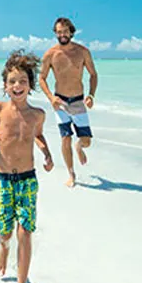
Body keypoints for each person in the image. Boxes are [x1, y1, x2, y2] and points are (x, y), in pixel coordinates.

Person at [0, 49, 54, 283]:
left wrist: (46, 153)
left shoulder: (37, 114)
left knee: (26, 231)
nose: (17, 85)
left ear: (30, 85)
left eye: (23, 80)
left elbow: (39, 136)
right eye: (12, 81)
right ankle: (3, 249)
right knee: (6, 232)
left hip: (27, 180)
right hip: (3, 179)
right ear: (5, 86)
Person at [38, 17, 98, 187]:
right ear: (55, 33)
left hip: (79, 101)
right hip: (60, 103)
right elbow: (42, 78)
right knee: (65, 138)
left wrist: (91, 95)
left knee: (86, 140)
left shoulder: (83, 52)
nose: (62, 35)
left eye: (65, 31)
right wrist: (51, 98)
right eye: (58, 32)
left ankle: (79, 147)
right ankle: (71, 174)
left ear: (71, 32)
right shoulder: (51, 54)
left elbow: (93, 74)